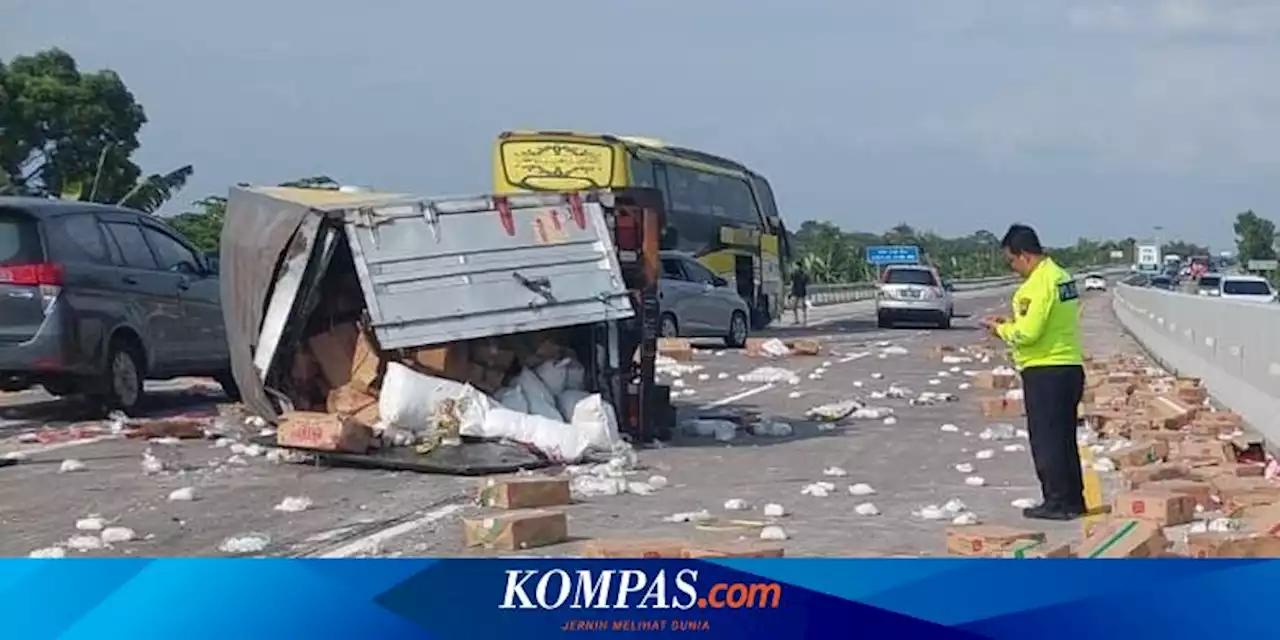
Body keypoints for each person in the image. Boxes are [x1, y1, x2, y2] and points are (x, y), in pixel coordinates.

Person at [979, 224, 1086, 521]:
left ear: (1024, 256)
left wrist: (1000, 329)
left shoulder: (1037, 285)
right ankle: (1073, 500)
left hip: (1044, 370)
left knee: (1046, 441)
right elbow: (1047, 320)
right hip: (1069, 366)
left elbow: (1028, 334)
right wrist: (1013, 321)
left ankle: (1056, 502)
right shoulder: (1062, 277)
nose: (1012, 268)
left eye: (1011, 261)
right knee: (1064, 439)